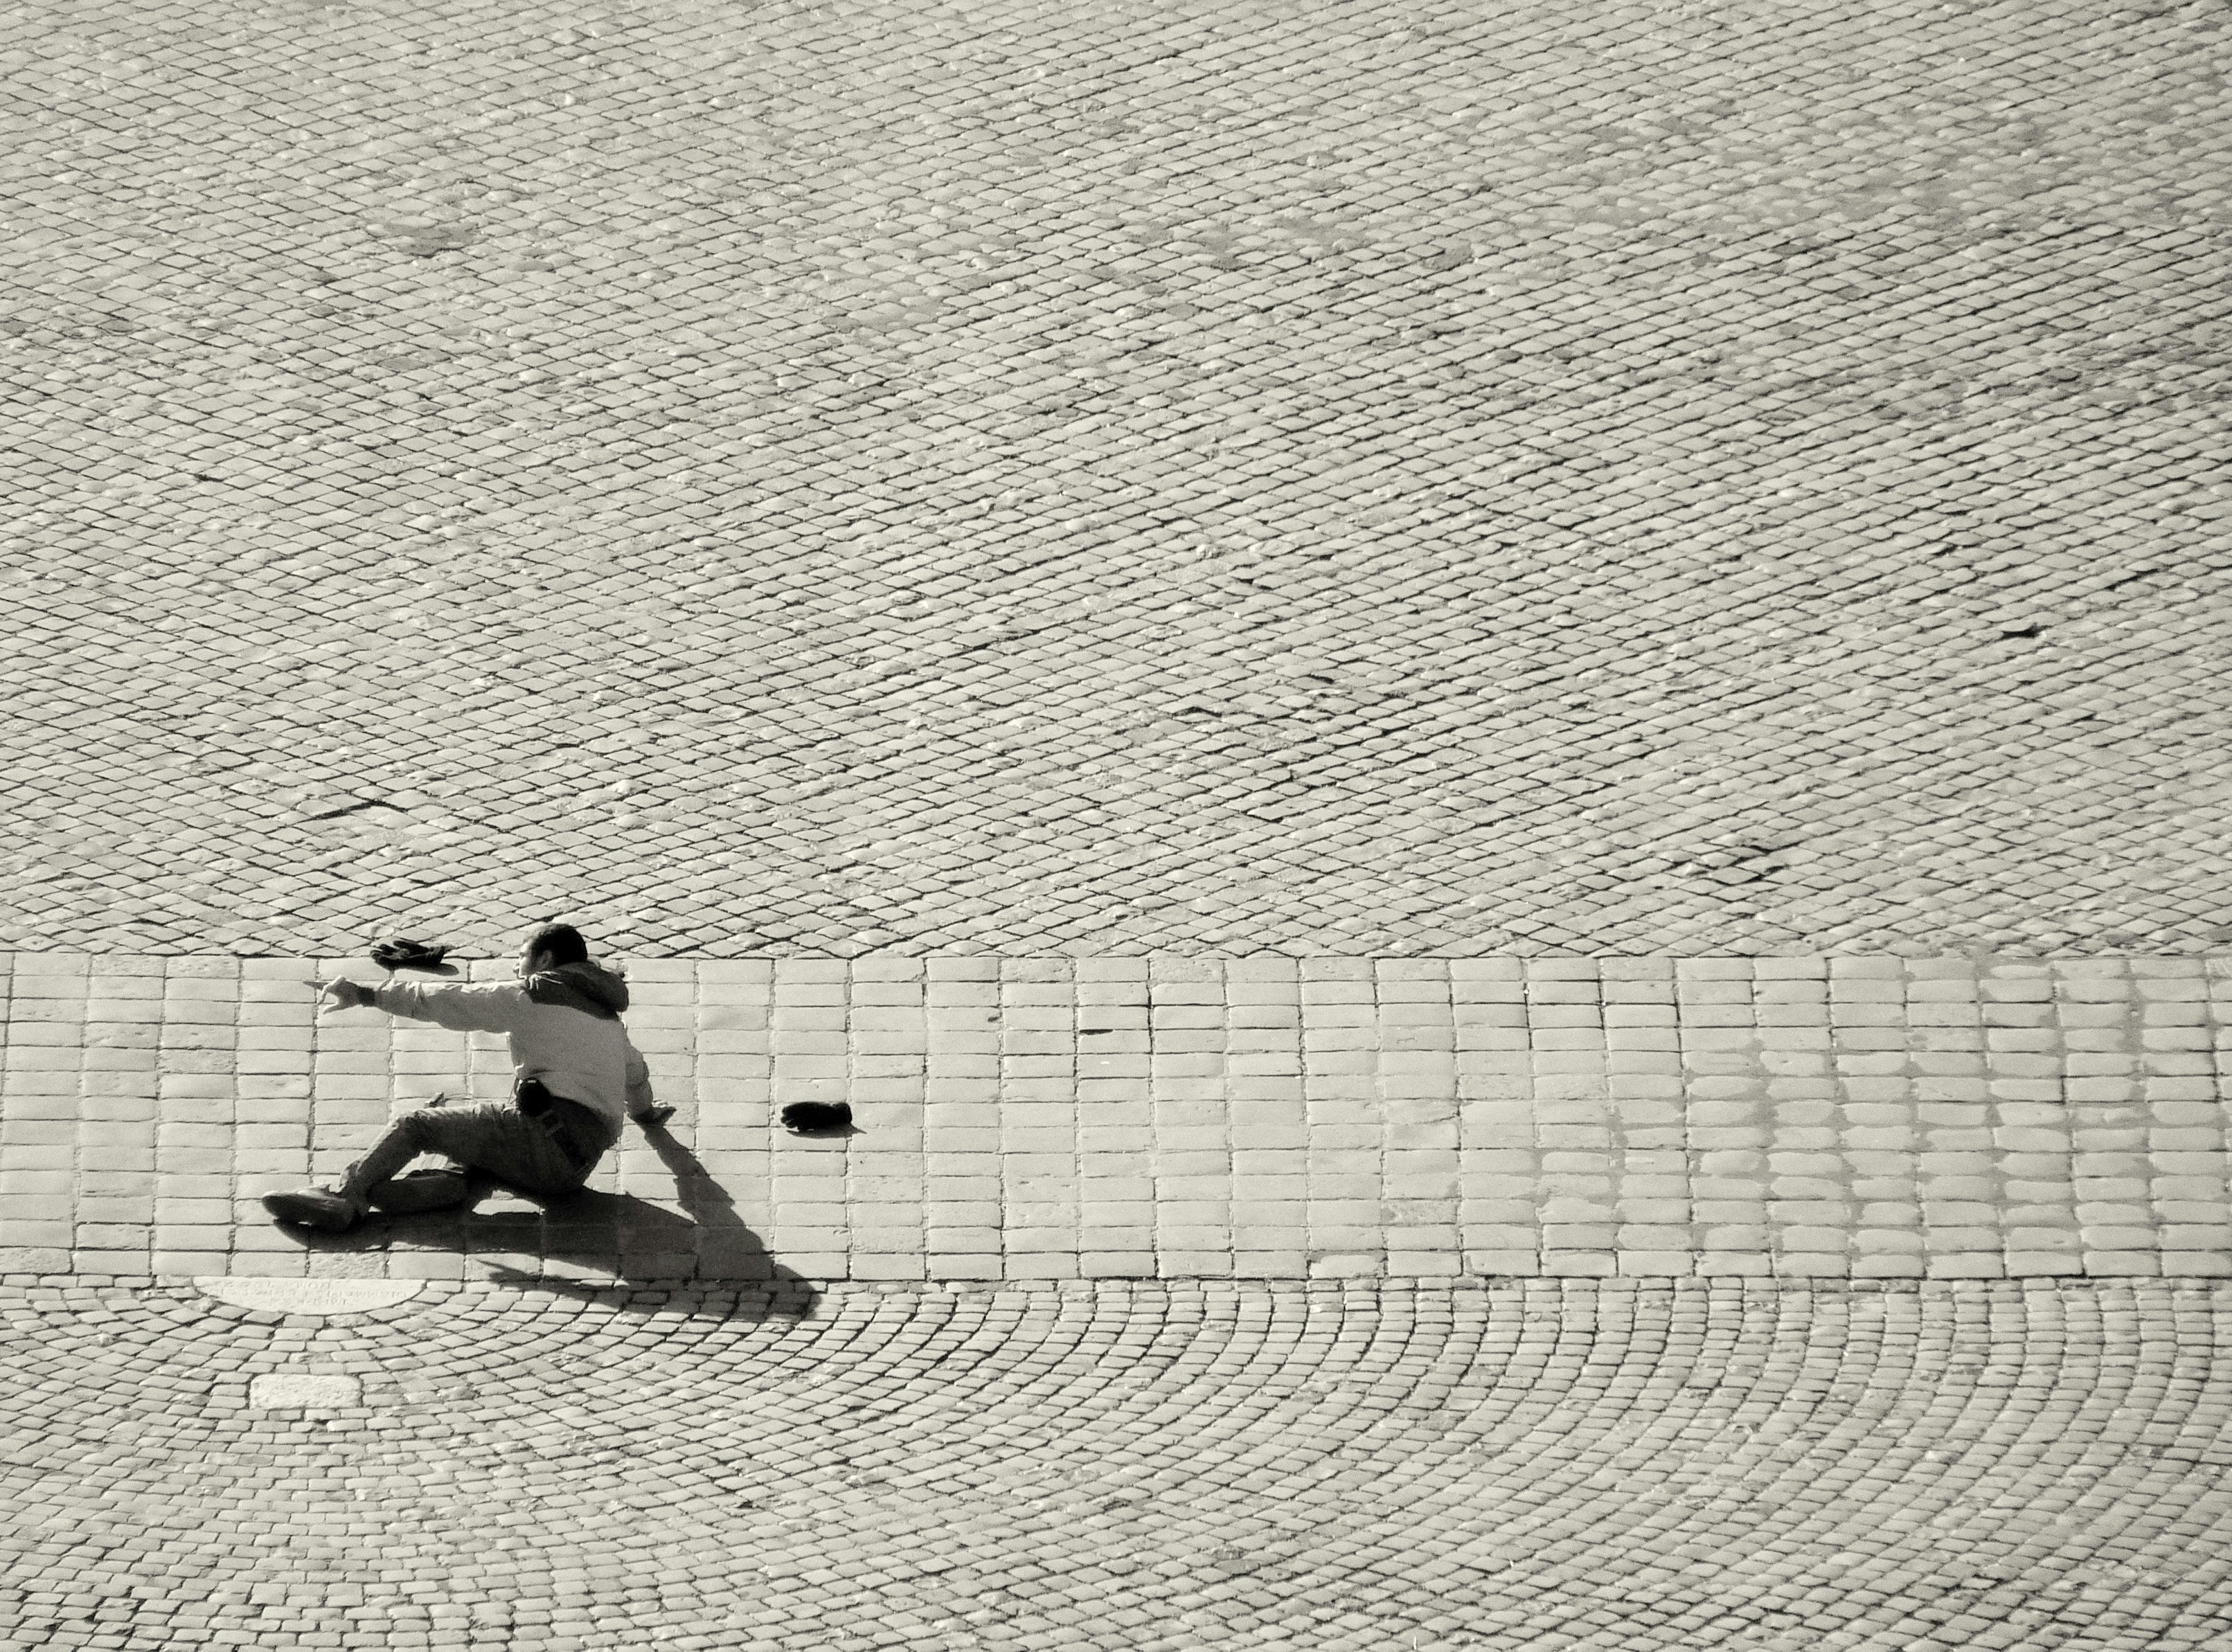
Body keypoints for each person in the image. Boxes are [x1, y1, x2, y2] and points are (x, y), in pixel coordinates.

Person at [262, 923, 673, 1232]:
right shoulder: (609, 1020)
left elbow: (449, 1001)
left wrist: (366, 994)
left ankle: (344, 1198)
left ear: (546, 960)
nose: (516, 965)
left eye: (522, 957)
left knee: (417, 1124)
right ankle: (438, 1186)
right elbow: (635, 1076)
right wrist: (647, 1116)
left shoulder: (530, 994)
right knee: (478, 1139)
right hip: (573, 1170)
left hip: (539, 1140)